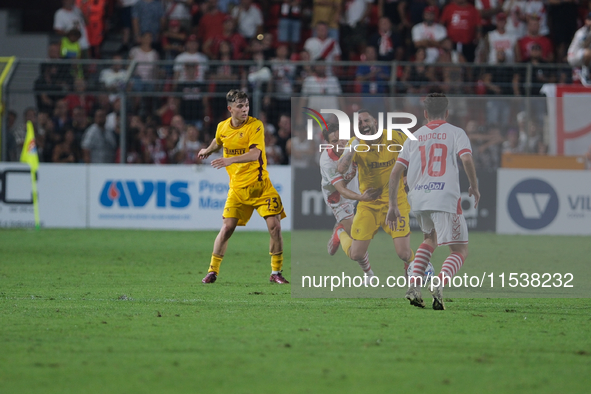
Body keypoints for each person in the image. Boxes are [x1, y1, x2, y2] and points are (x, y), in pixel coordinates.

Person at [386, 93, 480, 310]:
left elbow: (395, 173)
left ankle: (413, 286)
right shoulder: (456, 132)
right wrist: (474, 187)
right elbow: (466, 158)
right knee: (459, 250)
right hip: (445, 196)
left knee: (429, 240)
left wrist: (393, 205)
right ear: (447, 113)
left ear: (425, 113)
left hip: (418, 197)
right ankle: (438, 282)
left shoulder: (414, 136)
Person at [198, 89, 288, 284]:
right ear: (230, 108)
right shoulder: (222, 127)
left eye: (246, 105)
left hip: (261, 186)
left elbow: (255, 154)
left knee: (275, 226)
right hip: (237, 189)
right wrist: (207, 150)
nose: (244, 109)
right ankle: (212, 271)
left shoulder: (255, 125)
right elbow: (218, 141)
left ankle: (276, 273)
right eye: (240, 106)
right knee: (227, 227)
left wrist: (230, 160)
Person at [336, 109, 415, 283]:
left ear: (375, 123)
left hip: (396, 202)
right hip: (369, 204)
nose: (363, 125)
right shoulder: (355, 144)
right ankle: (341, 233)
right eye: (359, 124)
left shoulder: (394, 137)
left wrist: (410, 175)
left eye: (366, 121)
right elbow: (341, 169)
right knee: (356, 254)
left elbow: (416, 155)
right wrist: (354, 145)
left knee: (404, 253)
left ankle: (414, 266)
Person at [321, 123, 380, 277]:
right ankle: (369, 274)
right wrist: (362, 197)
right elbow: (341, 190)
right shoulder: (327, 162)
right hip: (338, 198)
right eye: (334, 141)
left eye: (342, 138)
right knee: (357, 237)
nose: (340, 143)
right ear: (327, 143)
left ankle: (339, 230)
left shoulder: (354, 144)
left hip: (357, 188)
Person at [567, 13, 591, 86]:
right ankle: (585, 73)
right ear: (587, 21)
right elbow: (585, 45)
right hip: (573, 56)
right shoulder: (581, 32)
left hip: (583, 57)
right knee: (588, 52)